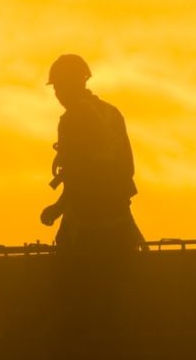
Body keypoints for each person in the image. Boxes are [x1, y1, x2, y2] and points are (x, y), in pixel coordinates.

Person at [39, 53, 143, 255]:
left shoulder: (71, 120)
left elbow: (76, 176)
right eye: (55, 88)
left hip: (86, 218)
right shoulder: (111, 113)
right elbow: (128, 167)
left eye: (59, 86)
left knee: (68, 273)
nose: (57, 93)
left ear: (75, 84)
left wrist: (56, 209)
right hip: (118, 213)